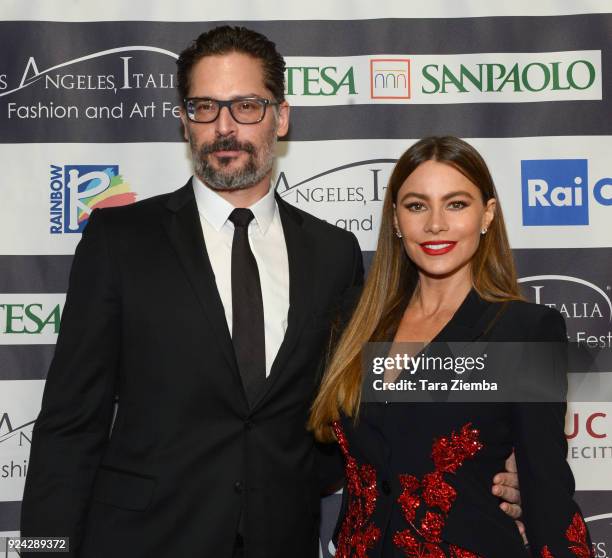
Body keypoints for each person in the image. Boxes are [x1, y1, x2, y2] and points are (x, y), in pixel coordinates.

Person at [20, 28, 521, 558]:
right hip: (143, 541)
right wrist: (45, 550)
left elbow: (364, 410)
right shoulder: (120, 240)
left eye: (247, 106)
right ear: (184, 120)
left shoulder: (334, 254)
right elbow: (70, 422)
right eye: (205, 107)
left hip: (283, 539)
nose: (224, 127)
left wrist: (500, 466)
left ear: (281, 117)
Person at [309, 136, 592, 558]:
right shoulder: (356, 319)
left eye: (456, 204)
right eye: (417, 205)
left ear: (487, 214)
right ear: (395, 219)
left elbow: (546, 491)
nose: (435, 224)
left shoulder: (522, 331)